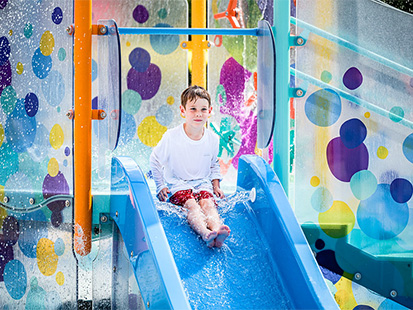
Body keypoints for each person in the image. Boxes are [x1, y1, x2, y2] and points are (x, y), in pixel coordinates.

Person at [150, 85, 231, 248]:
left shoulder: (212, 139)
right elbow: (155, 160)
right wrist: (161, 186)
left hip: (202, 183)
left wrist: (216, 185)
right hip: (178, 183)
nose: (198, 113)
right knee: (192, 205)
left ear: (210, 111)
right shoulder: (172, 137)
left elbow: (214, 164)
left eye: (203, 109)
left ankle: (217, 230)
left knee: (207, 203)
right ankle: (205, 233)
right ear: (183, 110)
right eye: (193, 109)